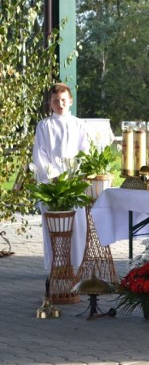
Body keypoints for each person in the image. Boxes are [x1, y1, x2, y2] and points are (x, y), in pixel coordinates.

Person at [32, 83, 91, 271]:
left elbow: (85, 151)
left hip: (73, 184)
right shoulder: (44, 126)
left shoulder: (79, 124)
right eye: (56, 101)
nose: (60, 104)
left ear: (70, 101)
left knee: (77, 227)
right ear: (50, 103)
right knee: (54, 229)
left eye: (64, 100)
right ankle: (55, 270)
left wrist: (76, 177)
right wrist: (54, 178)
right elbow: (40, 154)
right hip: (53, 185)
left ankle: (76, 268)